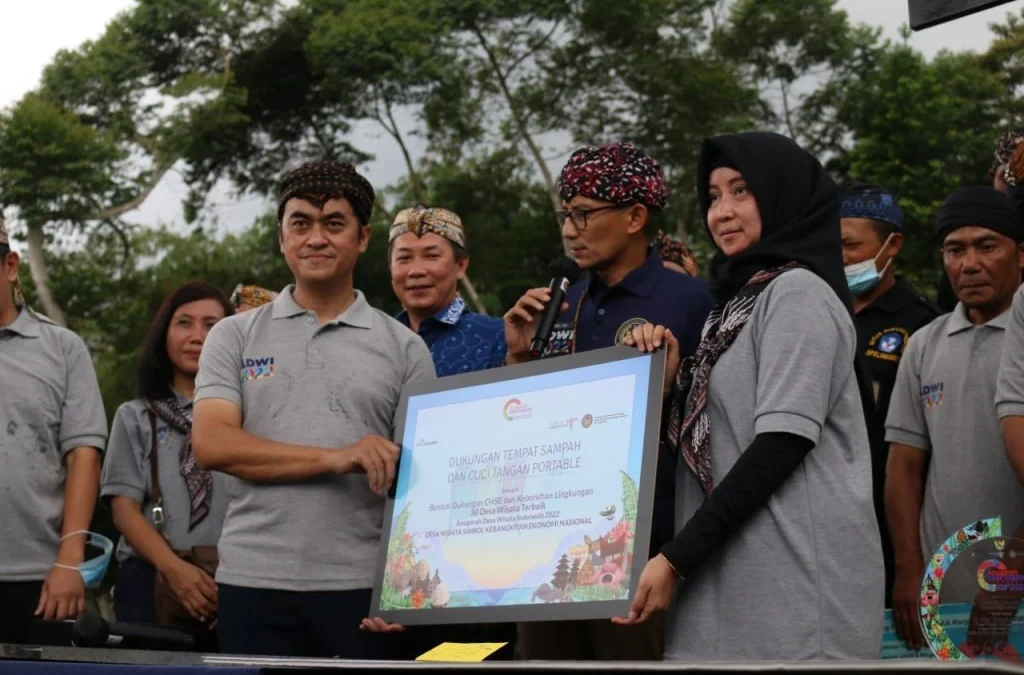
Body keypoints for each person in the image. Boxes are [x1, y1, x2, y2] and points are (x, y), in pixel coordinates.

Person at [625, 132, 883, 660]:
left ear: (783, 193)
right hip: (726, 585)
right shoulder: (732, 309)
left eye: (742, 190)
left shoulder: (798, 293)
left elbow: (779, 447)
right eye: (714, 196)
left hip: (794, 588)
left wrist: (675, 558)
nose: (722, 211)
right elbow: (719, 441)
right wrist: (672, 383)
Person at [191, 161, 436, 658]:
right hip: (251, 579)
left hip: (361, 588)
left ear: (364, 237)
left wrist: (413, 592)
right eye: (300, 223)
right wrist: (338, 456)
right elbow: (213, 444)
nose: (316, 239)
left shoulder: (406, 348)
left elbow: (423, 490)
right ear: (281, 238)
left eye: (334, 223)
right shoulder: (234, 336)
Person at [503, 141, 715, 661]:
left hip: (643, 543)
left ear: (635, 216)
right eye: (564, 215)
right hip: (550, 544)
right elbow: (523, 426)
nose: (569, 229)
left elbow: (709, 426)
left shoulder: (690, 300)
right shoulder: (560, 302)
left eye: (583, 214)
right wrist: (516, 356)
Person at [885, 186, 1024, 651]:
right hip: (942, 594)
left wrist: (1008, 582)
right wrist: (907, 569)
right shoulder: (924, 344)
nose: (969, 264)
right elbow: (904, 465)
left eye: (987, 246)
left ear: (1020, 255)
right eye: (955, 249)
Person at [101, 282, 233, 651]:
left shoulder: (249, 419)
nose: (197, 336)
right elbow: (123, 510)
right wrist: (177, 572)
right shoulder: (134, 416)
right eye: (184, 323)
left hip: (233, 581)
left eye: (212, 325)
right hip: (150, 579)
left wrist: (236, 582)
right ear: (164, 335)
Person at [0, 217, 107, 643]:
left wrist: (70, 559)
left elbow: (84, 454)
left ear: (10, 265)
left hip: (41, 577)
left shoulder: (62, 348)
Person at [840, 184, 940, 606]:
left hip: (890, 520)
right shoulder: (825, 312)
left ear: (892, 244)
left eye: (849, 245)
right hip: (833, 514)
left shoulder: (922, 325)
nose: (839, 258)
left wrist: (908, 559)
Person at [389, 206, 507, 376]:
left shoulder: (500, 337)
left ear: (460, 265)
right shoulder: (375, 343)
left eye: (431, 256)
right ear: (390, 269)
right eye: (404, 258)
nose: (416, 271)